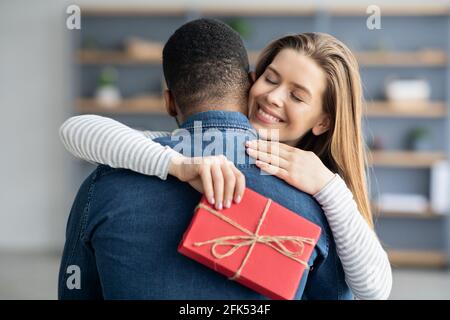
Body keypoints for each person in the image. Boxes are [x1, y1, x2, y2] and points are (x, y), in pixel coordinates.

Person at [58, 18, 385, 299]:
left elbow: (375, 288)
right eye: (269, 78)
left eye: (297, 96)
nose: (272, 97)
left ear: (323, 122)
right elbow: (79, 130)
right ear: (247, 82)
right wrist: (179, 164)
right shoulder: (154, 153)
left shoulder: (325, 197)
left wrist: (330, 187)